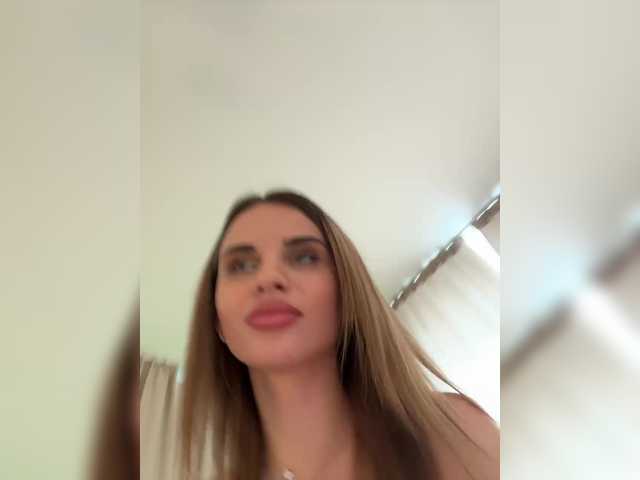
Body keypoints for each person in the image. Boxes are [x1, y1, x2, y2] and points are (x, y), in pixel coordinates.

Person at [181, 190, 498, 480]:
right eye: (240, 265)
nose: (268, 277)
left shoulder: (455, 433)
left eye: (305, 257)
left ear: (347, 296)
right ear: (217, 321)